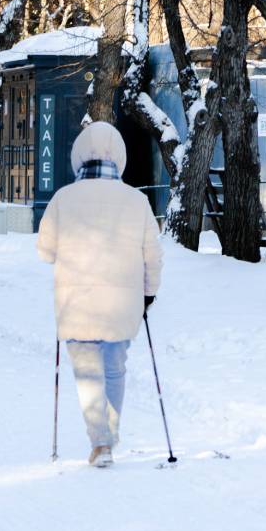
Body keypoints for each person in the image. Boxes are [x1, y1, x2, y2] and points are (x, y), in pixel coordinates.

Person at [36, 121, 163, 468]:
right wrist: (148, 294)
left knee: (88, 373)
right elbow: (153, 253)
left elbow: (45, 251)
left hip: (77, 302)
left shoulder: (63, 198)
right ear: (119, 156)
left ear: (79, 155)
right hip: (122, 304)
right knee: (115, 369)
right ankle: (110, 433)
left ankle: (100, 443)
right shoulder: (137, 200)